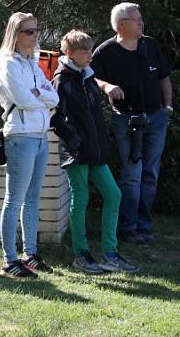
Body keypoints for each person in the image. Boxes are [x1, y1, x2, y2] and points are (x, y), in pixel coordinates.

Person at [51, 30, 138, 274]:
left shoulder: (88, 77)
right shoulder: (62, 80)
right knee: (81, 199)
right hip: (77, 152)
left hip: (96, 150)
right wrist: (74, 141)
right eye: (84, 51)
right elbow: (56, 119)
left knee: (113, 195)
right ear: (69, 53)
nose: (90, 55)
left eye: (90, 50)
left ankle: (110, 254)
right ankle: (81, 254)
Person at [92, 2, 173, 244]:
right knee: (132, 175)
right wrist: (106, 86)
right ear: (121, 25)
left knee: (150, 174)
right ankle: (127, 228)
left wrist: (167, 107)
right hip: (126, 121)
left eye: (141, 18)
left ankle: (144, 226)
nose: (141, 22)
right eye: (135, 19)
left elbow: (164, 77)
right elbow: (89, 76)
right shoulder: (105, 51)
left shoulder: (150, 45)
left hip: (156, 118)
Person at [0, 12, 59, 278]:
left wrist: (39, 94)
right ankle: (10, 259)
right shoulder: (6, 63)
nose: (35, 35)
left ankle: (30, 255)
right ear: (15, 34)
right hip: (21, 136)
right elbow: (23, 99)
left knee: (33, 197)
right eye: (29, 31)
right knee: (14, 199)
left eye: (35, 30)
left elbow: (53, 97)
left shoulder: (32, 63)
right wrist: (38, 97)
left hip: (40, 134)